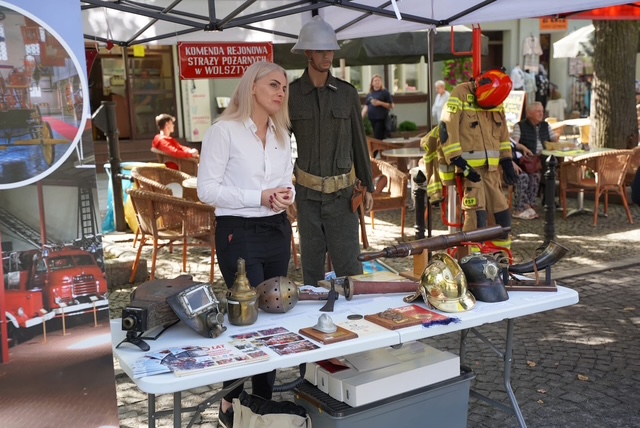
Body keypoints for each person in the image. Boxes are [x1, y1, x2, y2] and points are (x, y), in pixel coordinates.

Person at [196, 61, 295, 428]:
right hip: (238, 232)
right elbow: (206, 190)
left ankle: (260, 405)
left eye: (284, 87)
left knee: (274, 313)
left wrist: (285, 195)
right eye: (274, 85)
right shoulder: (224, 131)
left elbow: (286, 180)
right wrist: (259, 196)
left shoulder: (283, 133)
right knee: (246, 319)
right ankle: (230, 401)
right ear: (252, 86)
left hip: (277, 229)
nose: (281, 92)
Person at [288, 16, 374, 286]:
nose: (327, 56)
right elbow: (279, 147)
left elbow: (359, 142)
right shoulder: (291, 95)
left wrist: (368, 186)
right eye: (320, 50)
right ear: (308, 53)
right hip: (307, 198)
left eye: (331, 50)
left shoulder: (346, 94)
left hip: (343, 198)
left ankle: (354, 313)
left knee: (350, 270)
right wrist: (284, 190)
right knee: (312, 274)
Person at [440, 69, 517, 252]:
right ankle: (472, 258)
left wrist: (507, 161)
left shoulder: (496, 97)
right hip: (470, 172)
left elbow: (503, 133)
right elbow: (447, 127)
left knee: (502, 217)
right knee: (476, 217)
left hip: (492, 172)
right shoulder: (460, 94)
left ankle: (502, 256)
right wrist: (459, 161)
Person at [511, 102, 559, 219]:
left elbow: (554, 139)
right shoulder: (520, 126)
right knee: (534, 175)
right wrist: (523, 148)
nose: (541, 114)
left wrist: (556, 140)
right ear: (529, 114)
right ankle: (523, 206)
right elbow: (514, 143)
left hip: (543, 159)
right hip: (526, 161)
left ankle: (539, 202)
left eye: (542, 111)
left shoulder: (545, 125)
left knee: (547, 171)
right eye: (538, 111)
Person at [361, 74, 394, 140]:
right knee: (376, 136)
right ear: (372, 83)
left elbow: (392, 106)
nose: (377, 82)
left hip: (381, 119)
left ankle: (378, 146)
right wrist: (360, 118)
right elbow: (366, 107)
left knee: (378, 136)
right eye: (375, 81)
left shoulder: (385, 92)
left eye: (379, 80)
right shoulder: (370, 94)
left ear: (381, 82)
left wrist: (380, 103)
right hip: (372, 119)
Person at [135, 69, 157, 134]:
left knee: (133, 111)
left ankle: (141, 130)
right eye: (142, 75)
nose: (143, 77)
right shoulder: (143, 86)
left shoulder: (150, 86)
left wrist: (139, 105)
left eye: (145, 75)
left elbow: (148, 99)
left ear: (148, 76)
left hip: (149, 106)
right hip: (144, 105)